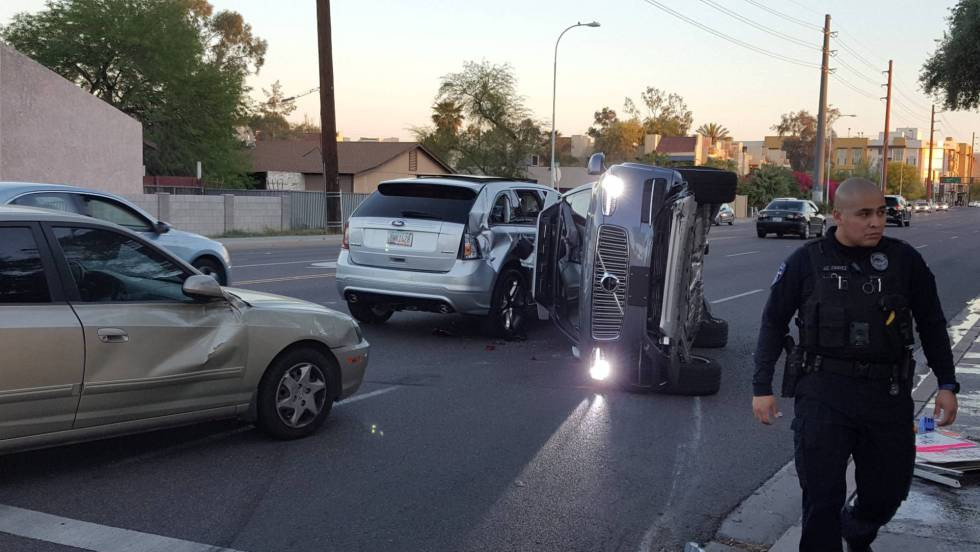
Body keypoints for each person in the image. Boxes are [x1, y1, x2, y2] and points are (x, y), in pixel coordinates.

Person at [751, 178, 959, 552]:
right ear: (838, 216)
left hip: (887, 395)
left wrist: (946, 382)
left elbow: (931, 322)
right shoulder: (807, 262)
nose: (876, 222)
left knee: (888, 492)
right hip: (823, 393)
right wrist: (761, 388)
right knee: (821, 498)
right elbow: (773, 323)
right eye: (864, 214)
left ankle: (859, 527)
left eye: (880, 212)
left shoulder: (904, 260)